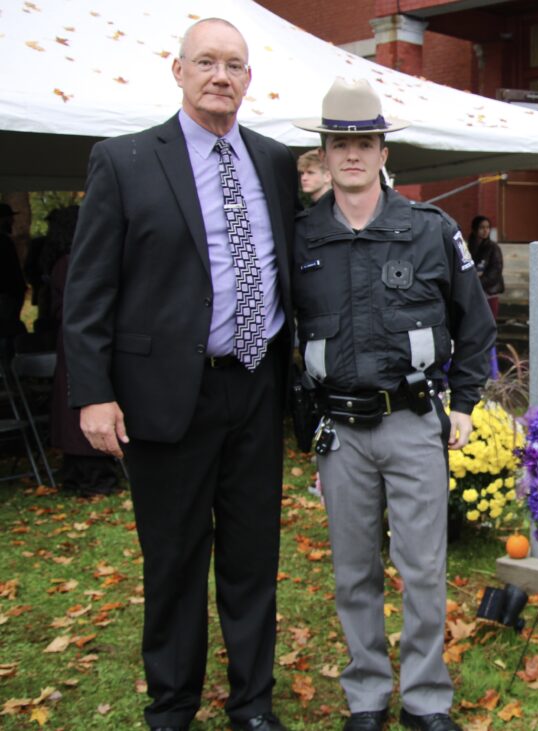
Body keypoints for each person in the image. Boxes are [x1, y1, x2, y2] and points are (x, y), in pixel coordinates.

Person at [63, 18, 295, 731]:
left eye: (234, 65)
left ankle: (251, 702)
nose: (221, 76)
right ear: (179, 70)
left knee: (253, 555)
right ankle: (172, 703)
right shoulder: (127, 160)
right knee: (174, 558)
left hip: (257, 385)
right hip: (166, 394)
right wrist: (93, 391)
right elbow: (89, 286)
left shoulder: (277, 161)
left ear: (249, 79)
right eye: (206, 62)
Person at [293, 78, 494, 731]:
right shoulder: (301, 239)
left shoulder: (428, 230)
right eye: (340, 143)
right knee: (354, 571)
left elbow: (477, 321)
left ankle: (426, 697)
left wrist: (464, 402)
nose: (352, 154)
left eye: (365, 142)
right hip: (341, 432)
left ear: (383, 149)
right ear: (323, 151)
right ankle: (367, 695)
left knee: (422, 569)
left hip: (412, 423)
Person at [47, 206, 119, 496]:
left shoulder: (71, 261)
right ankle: (86, 474)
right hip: (77, 342)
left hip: (78, 341)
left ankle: (90, 471)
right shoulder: (68, 263)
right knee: (78, 404)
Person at [0, 202, 27, 353]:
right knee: (6, 330)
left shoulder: (5, 241)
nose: (12, 221)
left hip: (10, 293)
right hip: (7, 294)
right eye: (8, 218)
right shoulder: (3, 242)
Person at [466, 215, 503, 320]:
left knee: (489, 322)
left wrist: (478, 282)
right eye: (482, 227)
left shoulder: (493, 248)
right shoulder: (469, 248)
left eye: (487, 227)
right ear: (475, 229)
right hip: (473, 293)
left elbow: (495, 271)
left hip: (489, 292)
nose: (485, 230)